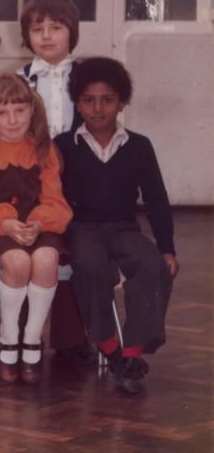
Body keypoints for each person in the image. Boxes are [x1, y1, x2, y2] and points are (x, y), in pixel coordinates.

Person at [56, 57, 177, 395]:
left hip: (124, 228)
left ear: (121, 101)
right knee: (90, 266)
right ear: (77, 102)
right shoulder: (64, 146)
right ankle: (110, 347)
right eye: (88, 100)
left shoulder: (139, 145)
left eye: (107, 100)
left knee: (153, 267)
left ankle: (133, 352)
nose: (97, 109)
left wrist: (167, 247)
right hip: (82, 228)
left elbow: (156, 199)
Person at [0, 73, 72, 385]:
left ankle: (32, 340)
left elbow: (55, 200)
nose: (12, 120)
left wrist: (39, 223)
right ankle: (8, 340)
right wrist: (4, 223)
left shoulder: (43, 149)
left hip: (40, 225)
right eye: (2, 112)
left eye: (20, 110)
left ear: (32, 109)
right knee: (17, 262)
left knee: (46, 260)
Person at [17, 0, 81, 137]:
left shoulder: (86, 77)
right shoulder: (19, 80)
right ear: (27, 35)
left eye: (56, 28)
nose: (46, 36)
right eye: (37, 29)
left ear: (72, 32)